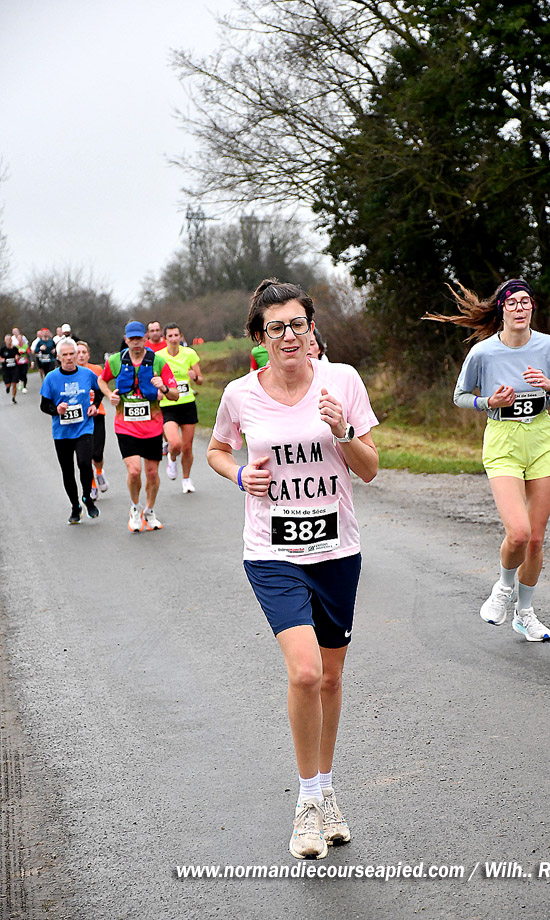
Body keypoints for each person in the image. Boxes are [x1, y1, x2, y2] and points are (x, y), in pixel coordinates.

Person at [208, 279, 379, 859]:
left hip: (337, 550)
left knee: (330, 677)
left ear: (311, 331)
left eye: (297, 325)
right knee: (305, 673)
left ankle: (327, 791)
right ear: (260, 337)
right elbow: (217, 450)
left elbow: (370, 468)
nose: (288, 336)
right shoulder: (239, 395)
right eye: (275, 327)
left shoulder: (343, 381)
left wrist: (343, 431)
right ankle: (307, 803)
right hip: (272, 551)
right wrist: (239, 475)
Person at [425, 278, 550, 642]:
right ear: (501, 309)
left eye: (526, 301)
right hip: (503, 439)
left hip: (541, 437)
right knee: (518, 533)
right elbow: (460, 396)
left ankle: (525, 614)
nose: (520, 308)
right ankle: (504, 587)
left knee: (535, 540)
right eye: (512, 302)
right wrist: (488, 402)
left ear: (532, 307)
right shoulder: (484, 353)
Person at [98, 321, 179, 532]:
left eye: (139, 338)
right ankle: (135, 508)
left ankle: (149, 510)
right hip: (125, 426)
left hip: (152, 427)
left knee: (152, 473)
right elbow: (102, 380)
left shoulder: (158, 362)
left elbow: (175, 394)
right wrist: (109, 395)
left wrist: (163, 387)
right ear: (126, 340)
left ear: (145, 339)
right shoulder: (115, 361)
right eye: (131, 339)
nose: (136, 343)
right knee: (134, 471)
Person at [40, 338, 102, 524]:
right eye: (64, 355)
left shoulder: (87, 374)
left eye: (71, 354)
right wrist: (56, 410)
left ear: (76, 355)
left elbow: (99, 390)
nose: (68, 358)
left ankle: (87, 498)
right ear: (58, 357)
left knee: (84, 463)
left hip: (84, 427)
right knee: (67, 471)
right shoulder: (51, 378)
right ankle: (75, 506)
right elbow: (44, 405)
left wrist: (94, 405)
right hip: (62, 432)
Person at [157, 323, 203, 493]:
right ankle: (172, 457)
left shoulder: (189, 353)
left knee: (187, 447)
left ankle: (186, 479)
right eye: (170, 336)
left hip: (187, 404)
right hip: (168, 405)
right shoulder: (159, 357)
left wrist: (195, 376)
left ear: (181, 336)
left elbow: (200, 380)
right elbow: (153, 378)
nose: (174, 339)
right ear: (165, 338)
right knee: (175, 443)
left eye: (176, 335)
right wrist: (158, 390)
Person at [76, 341, 109, 500]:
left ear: (88, 355)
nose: (81, 355)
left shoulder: (96, 370)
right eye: (78, 352)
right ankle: (92, 486)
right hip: (79, 419)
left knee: (97, 453)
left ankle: (99, 472)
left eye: (84, 352)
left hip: (97, 415)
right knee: (85, 454)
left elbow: (103, 389)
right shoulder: (69, 373)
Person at [1, 334, 19, 403]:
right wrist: (2, 359)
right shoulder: (3, 349)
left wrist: (17, 357)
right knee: (8, 384)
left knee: (14, 383)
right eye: (7, 340)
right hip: (6, 369)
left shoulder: (15, 349)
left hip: (14, 368)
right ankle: (7, 387)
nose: (9, 341)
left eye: (9, 339)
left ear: (11, 340)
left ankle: (13, 397)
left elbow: (18, 355)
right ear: (5, 341)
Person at [12, 328, 30, 392]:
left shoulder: (25, 346)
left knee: (24, 373)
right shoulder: (15, 347)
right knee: (19, 374)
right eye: (18, 339)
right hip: (18, 362)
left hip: (24, 361)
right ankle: (20, 382)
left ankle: (24, 386)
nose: (20, 340)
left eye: (21, 339)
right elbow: (13, 354)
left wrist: (31, 361)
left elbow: (28, 353)